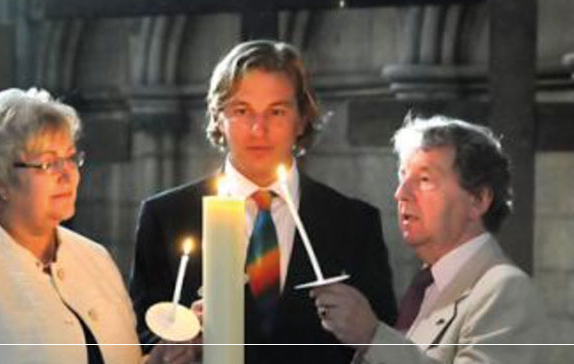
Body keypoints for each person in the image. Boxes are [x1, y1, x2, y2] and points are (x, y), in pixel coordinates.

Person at [130, 40, 397, 364]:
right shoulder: (166, 217)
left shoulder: (354, 222)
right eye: (242, 111)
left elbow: (383, 340)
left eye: (277, 111)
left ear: (301, 119)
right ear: (218, 118)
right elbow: (140, 338)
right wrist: (171, 346)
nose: (259, 129)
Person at [0, 87, 188, 364]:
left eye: (71, 158)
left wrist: (157, 360)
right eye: (47, 163)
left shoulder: (94, 259)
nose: (67, 174)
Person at [310, 115, 547, 364]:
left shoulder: (505, 291)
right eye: (403, 177)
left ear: (478, 200)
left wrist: (373, 336)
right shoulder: (428, 287)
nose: (401, 193)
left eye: (424, 180)